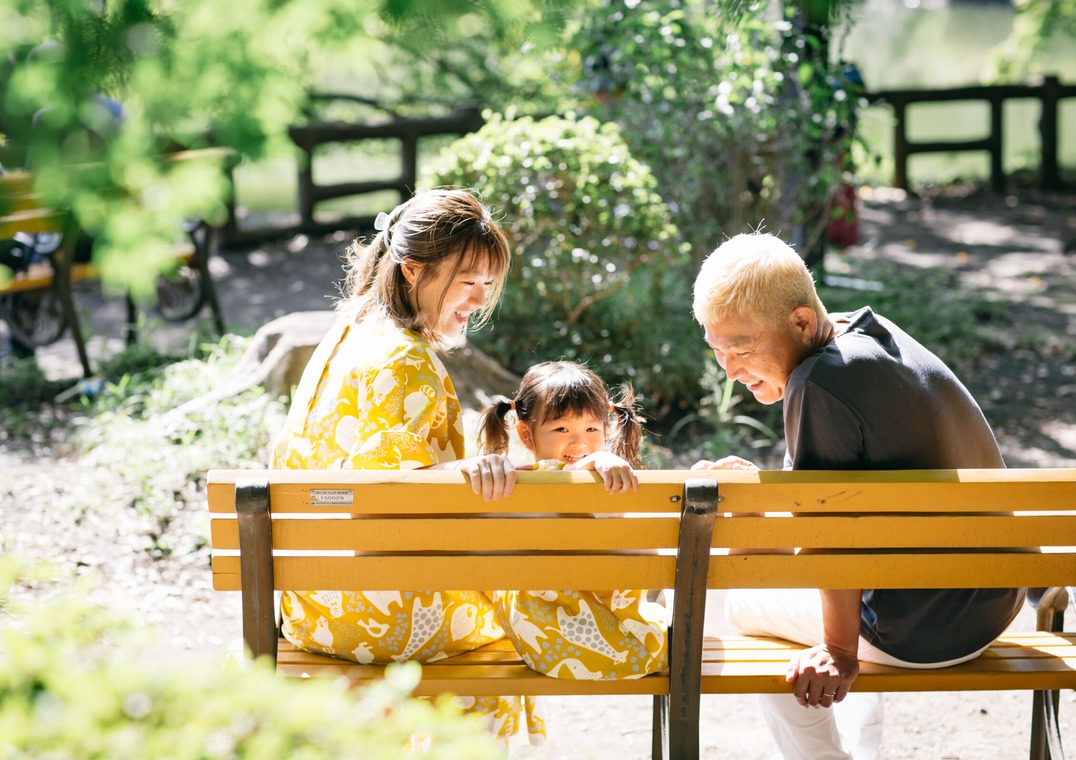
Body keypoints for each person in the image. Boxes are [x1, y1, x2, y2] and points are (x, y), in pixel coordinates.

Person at [689, 232, 1024, 760]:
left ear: (800, 321)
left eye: (741, 348)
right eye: (717, 351)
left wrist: (839, 651)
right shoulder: (867, 336)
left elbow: (826, 539)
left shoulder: (815, 384)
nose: (729, 370)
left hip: (925, 630)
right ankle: (862, 747)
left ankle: (822, 759)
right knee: (800, 583)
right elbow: (833, 511)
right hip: (994, 603)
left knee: (733, 604)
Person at [269, 189, 541, 742]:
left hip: (314, 602)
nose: (479, 299)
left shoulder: (345, 333)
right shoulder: (408, 361)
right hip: (384, 613)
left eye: (488, 284)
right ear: (413, 269)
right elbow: (409, 507)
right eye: (468, 282)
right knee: (525, 614)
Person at [478, 361, 671, 681]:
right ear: (527, 434)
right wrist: (599, 463)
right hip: (633, 650)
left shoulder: (507, 487)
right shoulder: (609, 483)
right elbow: (646, 559)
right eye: (562, 429)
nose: (579, 444)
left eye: (591, 430)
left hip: (544, 647)